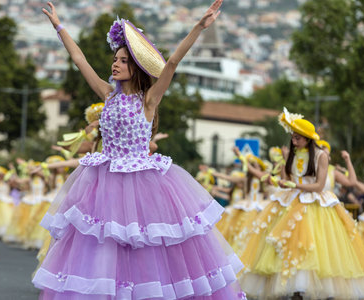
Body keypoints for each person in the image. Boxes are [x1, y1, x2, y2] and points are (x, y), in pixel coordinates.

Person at [33, 1, 245, 299]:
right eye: (115, 59)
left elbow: (171, 64)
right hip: (104, 184)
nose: (115, 64)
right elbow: (79, 59)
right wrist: (59, 26)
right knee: (104, 249)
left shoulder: (149, 100)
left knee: (145, 250)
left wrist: (199, 26)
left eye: (122, 60)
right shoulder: (107, 94)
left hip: (142, 186)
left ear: (135, 67)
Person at [236, 108, 364, 299]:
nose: (294, 141)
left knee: (318, 246)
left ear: (307, 138)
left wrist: (294, 184)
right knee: (286, 243)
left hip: (315, 204)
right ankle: (296, 289)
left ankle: (313, 289)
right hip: (291, 200)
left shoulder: (321, 156)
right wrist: (279, 178)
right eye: (293, 137)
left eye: (298, 138)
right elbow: (286, 177)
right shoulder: (293, 154)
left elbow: (319, 186)